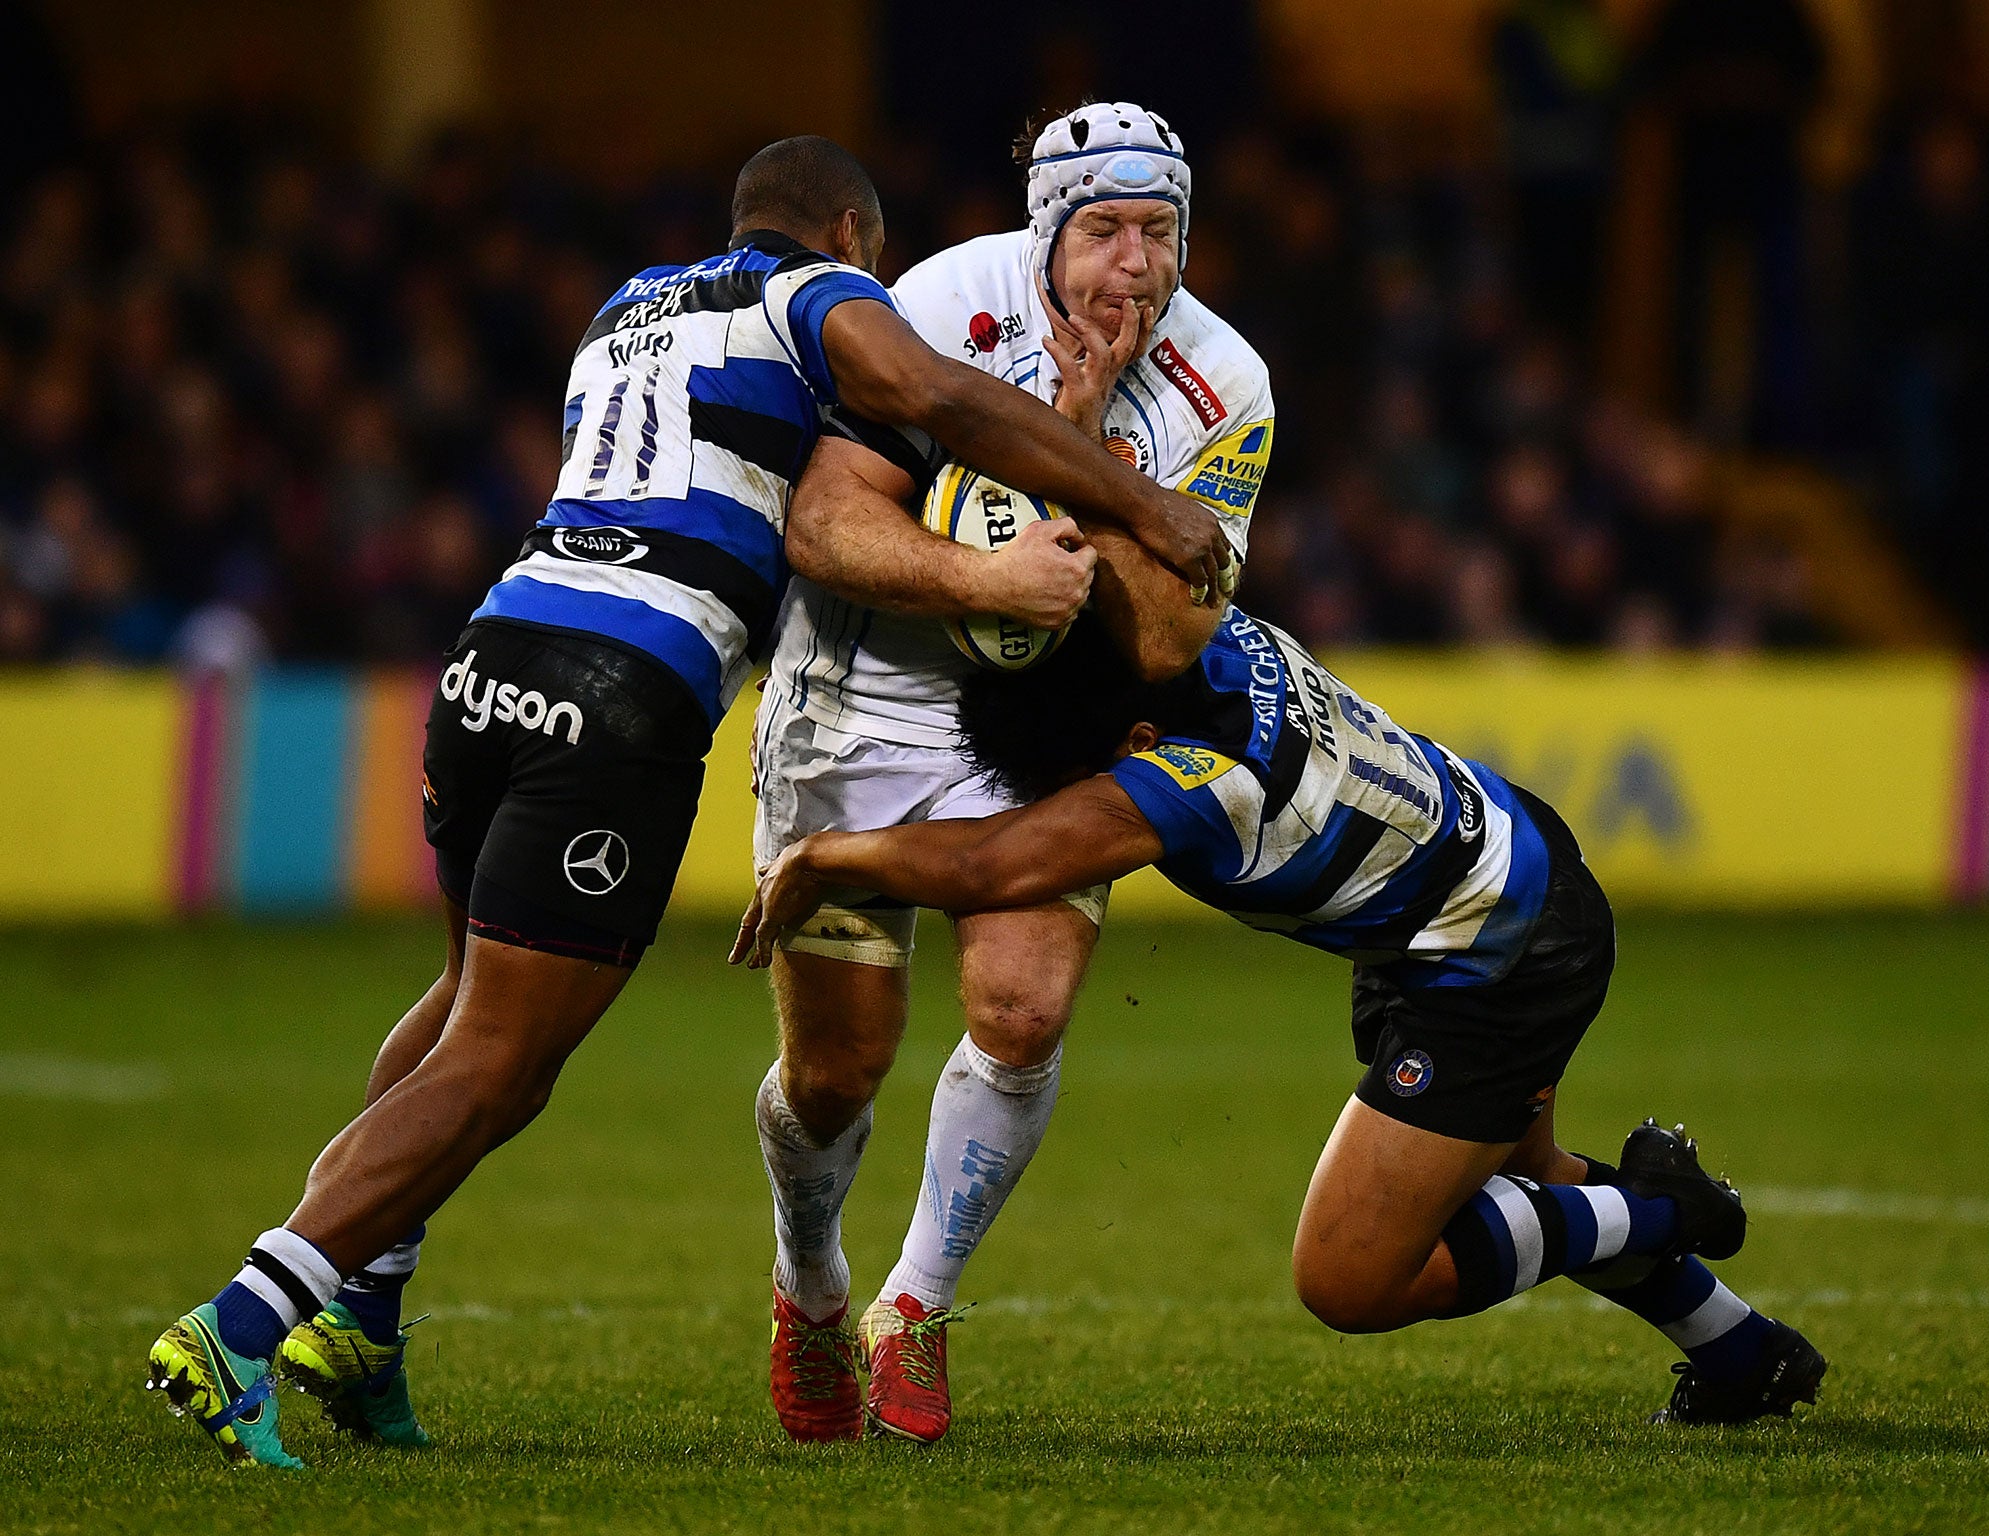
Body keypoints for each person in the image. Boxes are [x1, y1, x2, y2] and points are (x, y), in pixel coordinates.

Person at [142, 134, 1226, 1470]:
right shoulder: (812, 294)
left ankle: (362, 1318)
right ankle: (244, 1320)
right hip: (626, 686)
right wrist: (1136, 498)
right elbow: (937, 396)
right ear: (846, 232)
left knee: (457, 1004)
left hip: (493, 652)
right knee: (502, 1063)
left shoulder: (629, 306)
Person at [735, 613, 1828, 1427]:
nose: (1070, 811)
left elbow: (989, 862)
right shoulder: (1182, 627)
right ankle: (1744, 1356)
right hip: (1457, 886)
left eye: (1073, 786)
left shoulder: (1201, 780)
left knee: (1348, 1275)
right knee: (1519, 1177)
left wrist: (825, 854)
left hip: (1495, 949)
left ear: (1140, 737)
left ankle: (1659, 1205)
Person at [749, 100, 1277, 1443]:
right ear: (1046, 228)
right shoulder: (932, 304)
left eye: (1161, 232)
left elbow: (1166, 635)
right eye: (1103, 229)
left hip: (1044, 730)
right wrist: (992, 575)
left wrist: (1085, 455)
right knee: (835, 1075)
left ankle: (913, 1308)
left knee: (1025, 1009)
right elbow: (823, 523)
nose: (1136, 265)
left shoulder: (1229, 385)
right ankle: (809, 1285)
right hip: (861, 699)